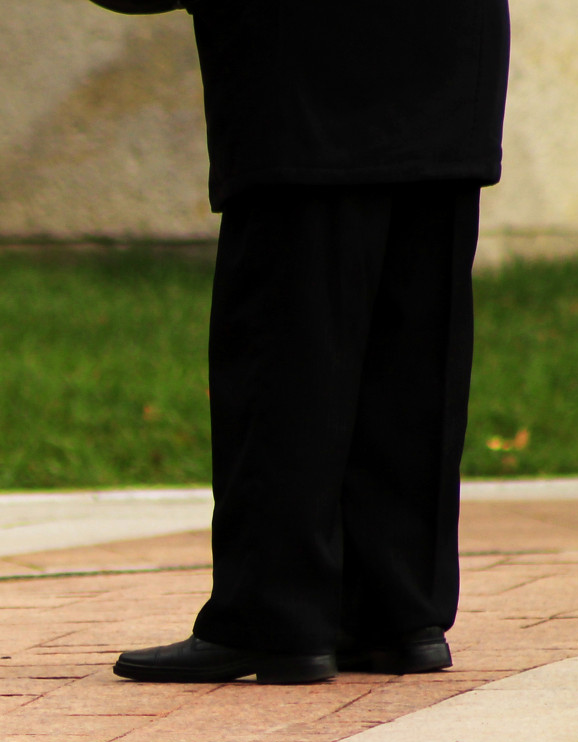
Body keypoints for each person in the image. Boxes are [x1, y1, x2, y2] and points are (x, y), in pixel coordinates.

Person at [90, 0, 511, 683]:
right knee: (412, 345)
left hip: (307, 60)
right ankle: (397, 615)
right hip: (447, 52)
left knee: (289, 347)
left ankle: (275, 615)